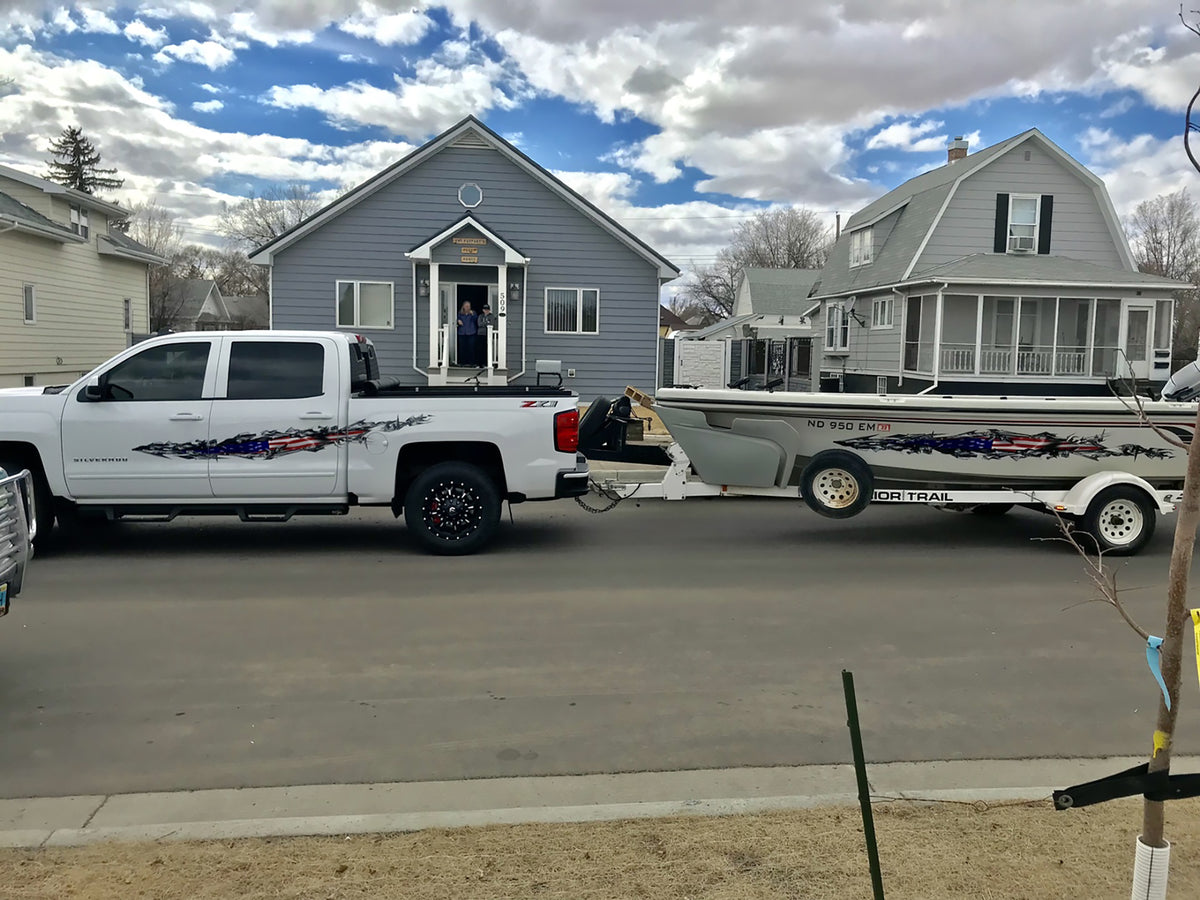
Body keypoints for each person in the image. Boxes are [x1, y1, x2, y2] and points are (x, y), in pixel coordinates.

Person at [456, 300, 477, 366]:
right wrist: (458, 321)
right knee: (462, 348)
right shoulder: (460, 313)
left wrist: (472, 314)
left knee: (471, 348)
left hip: (471, 333)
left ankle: (471, 363)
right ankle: (462, 362)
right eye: (466, 306)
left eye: (469, 306)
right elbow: (456, 320)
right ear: (463, 307)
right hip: (462, 333)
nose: (468, 308)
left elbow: (476, 320)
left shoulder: (473, 313)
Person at [476, 303, 497, 368]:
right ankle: (479, 364)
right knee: (480, 349)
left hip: (488, 335)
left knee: (486, 349)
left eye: (487, 309)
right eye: (485, 309)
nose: (486, 310)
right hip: (480, 334)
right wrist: (486, 323)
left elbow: (491, 324)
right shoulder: (480, 316)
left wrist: (485, 323)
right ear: (483, 310)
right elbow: (479, 324)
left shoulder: (491, 316)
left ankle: (485, 363)